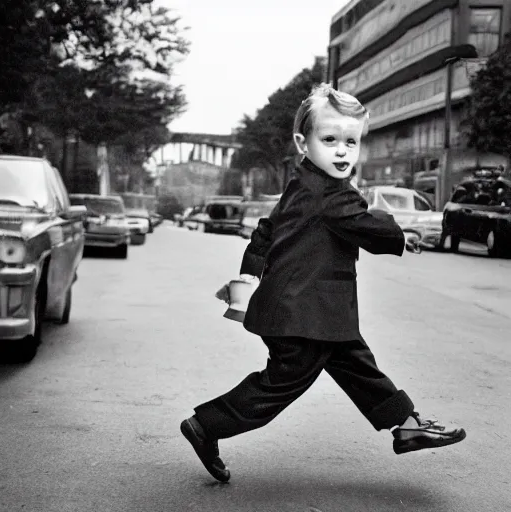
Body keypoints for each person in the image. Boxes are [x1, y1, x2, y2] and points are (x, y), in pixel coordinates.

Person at [180, 84, 466, 483]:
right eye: (329, 139)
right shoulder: (328, 192)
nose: (343, 150)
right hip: (304, 311)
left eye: (352, 141)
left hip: (315, 308)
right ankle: (207, 425)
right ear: (303, 141)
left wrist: (248, 273)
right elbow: (361, 223)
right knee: (282, 383)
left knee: (354, 361)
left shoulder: (304, 181)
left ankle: (406, 423)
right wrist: (400, 235)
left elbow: (267, 229)